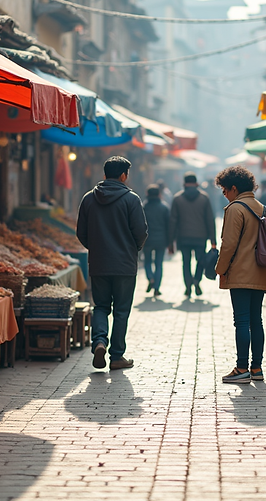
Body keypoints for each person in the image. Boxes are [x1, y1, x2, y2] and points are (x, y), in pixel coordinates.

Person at [76, 156, 148, 371]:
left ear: (105, 174)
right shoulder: (131, 199)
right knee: (121, 310)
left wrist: (96, 248)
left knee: (100, 307)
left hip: (99, 263)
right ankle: (117, 356)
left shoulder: (88, 199)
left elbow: (81, 232)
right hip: (125, 265)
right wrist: (133, 249)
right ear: (124, 175)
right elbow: (141, 232)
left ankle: (99, 342)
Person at [214, 166, 266, 384]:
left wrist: (220, 270)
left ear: (234, 188)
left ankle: (241, 368)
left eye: (225, 190)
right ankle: (256, 368)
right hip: (262, 271)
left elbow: (228, 245)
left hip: (240, 273)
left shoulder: (234, 209)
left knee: (241, 321)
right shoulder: (263, 208)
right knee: (256, 320)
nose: (224, 194)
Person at [169, 172, 217, 298]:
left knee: (186, 262)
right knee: (200, 261)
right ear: (196, 184)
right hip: (200, 237)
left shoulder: (177, 198)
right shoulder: (204, 198)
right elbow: (210, 220)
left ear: (184, 184)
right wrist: (213, 240)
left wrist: (171, 241)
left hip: (183, 237)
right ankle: (197, 281)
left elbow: (173, 221)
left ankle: (188, 286)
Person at [142, 184, 170, 296]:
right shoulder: (164, 207)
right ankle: (157, 287)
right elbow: (169, 225)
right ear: (159, 194)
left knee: (147, 261)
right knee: (159, 264)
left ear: (147, 194)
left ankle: (150, 278)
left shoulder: (143, 207)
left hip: (147, 239)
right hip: (161, 239)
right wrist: (170, 241)